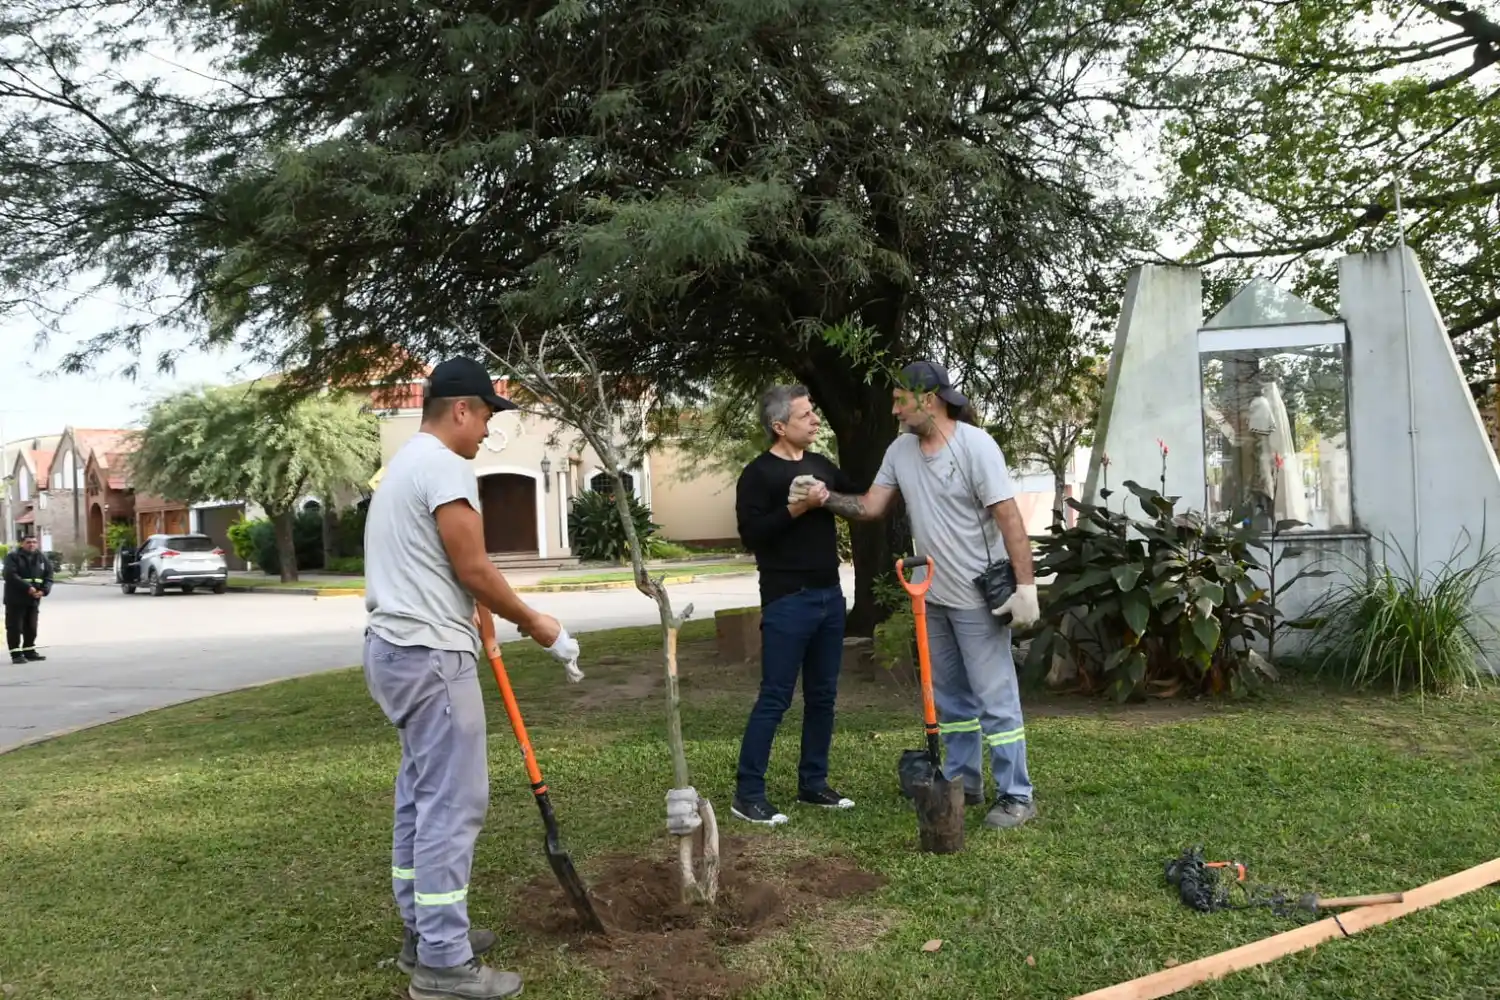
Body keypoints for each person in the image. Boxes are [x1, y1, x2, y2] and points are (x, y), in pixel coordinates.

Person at [362, 355, 582, 1000]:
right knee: (452, 806)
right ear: (461, 409)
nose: (487, 429)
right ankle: (443, 964)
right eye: (485, 414)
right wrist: (537, 623)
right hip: (430, 656)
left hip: (394, 648)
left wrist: (478, 610)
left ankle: (422, 932)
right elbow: (475, 566)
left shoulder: (403, 464)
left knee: (420, 795)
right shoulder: (446, 467)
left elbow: (437, 561)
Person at [822, 360, 1042, 830]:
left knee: (995, 697)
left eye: (902, 401)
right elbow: (871, 506)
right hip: (934, 598)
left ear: (931, 400)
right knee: (953, 701)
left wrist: (1026, 587)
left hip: (981, 599)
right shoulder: (901, 451)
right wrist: (823, 498)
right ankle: (964, 782)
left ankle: (1017, 795)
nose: (896, 411)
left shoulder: (975, 447)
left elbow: (1009, 518)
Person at [730, 385, 859, 826]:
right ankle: (748, 794)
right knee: (776, 698)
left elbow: (855, 497)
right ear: (779, 426)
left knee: (823, 697)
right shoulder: (758, 474)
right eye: (806, 415)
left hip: (829, 596)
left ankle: (813, 784)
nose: (816, 421)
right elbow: (753, 535)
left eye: (814, 412)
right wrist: (799, 509)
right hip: (787, 600)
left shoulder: (822, 466)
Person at [4, 536, 52, 665]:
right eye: (28, 542)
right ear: (22, 544)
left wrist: (44, 590)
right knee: (15, 627)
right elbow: (10, 575)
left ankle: (29, 651)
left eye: (34, 542)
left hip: (34, 599)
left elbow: (48, 576)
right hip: (16, 599)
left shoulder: (41, 558)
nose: (32, 544)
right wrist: (28, 587)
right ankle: (16, 654)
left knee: (31, 627)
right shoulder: (13, 557)